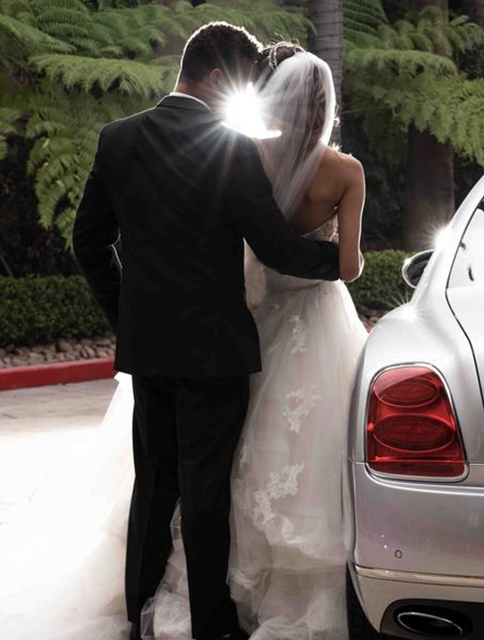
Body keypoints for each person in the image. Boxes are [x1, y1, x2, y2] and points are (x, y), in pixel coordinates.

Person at [0, 22, 366, 640]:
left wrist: (128, 315)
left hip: (150, 348)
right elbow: (275, 248)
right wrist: (339, 265)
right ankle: (210, 622)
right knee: (204, 490)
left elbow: (88, 239)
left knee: (154, 484)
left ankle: (140, 609)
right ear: (220, 78)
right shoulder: (231, 148)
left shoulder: (119, 139)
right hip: (217, 349)